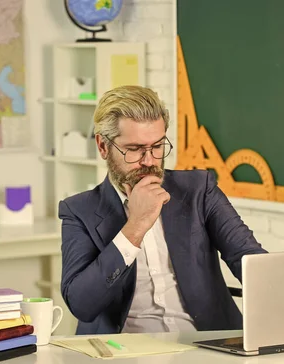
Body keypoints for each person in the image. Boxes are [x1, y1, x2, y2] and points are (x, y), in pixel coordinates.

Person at [59, 85, 267, 335]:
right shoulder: (79, 210)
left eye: (157, 146)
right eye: (135, 149)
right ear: (103, 147)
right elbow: (82, 304)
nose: (149, 161)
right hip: (127, 351)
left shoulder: (198, 190)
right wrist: (135, 226)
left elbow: (247, 257)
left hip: (206, 344)